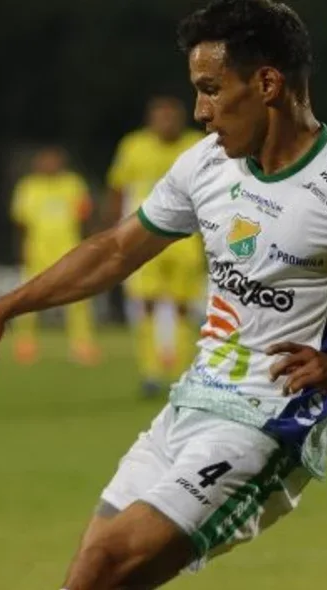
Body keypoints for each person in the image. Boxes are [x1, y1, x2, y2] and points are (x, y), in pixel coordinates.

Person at [0, 1, 327, 587]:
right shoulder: (206, 165)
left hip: (270, 422)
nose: (200, 112)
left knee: (109, 563)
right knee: (92, 572)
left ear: (267, 83)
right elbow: (115, 250)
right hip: (192, 403)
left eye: (210, 90)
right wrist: (9, 306)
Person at [103, 96, 209, 397]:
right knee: (146, 304)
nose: (166, 123)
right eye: (160, 117)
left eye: (171, 117)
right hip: (142, 236)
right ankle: (150, 372)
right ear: (150, 120)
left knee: (182, 307)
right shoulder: (133, 146)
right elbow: (118, 188)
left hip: (186, 239)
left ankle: (183, 373)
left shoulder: (196, 144)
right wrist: (113, 231)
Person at [8, 145, 100, 366]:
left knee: (78, 299)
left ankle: (82, 344)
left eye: (54, 160)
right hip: (37, 252)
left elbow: (85, 219)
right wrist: (21, 250)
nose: (50, 164)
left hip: (69, 251)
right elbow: (21, 224)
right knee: (28, 298)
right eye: (45, 160)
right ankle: (25, 344)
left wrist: (89, 247)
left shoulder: (73, 184)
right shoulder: (28, 187)